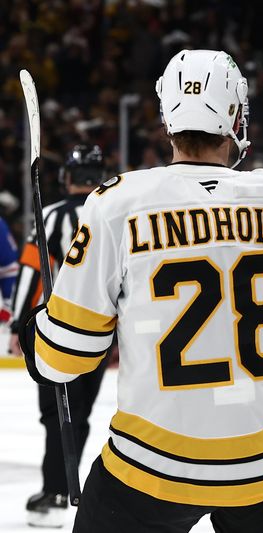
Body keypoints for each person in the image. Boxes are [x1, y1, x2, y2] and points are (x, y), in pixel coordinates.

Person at [19, 49, 263, 533]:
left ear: (167, 118)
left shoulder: (116, 204)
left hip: (152, 466)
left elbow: (64, 358)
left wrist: (36, 325)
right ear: (236, 117)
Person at [9, 145, 109, 528]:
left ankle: (55, 491)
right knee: (78, 415)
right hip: (103, 333)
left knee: (57, 413)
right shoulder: (111, 212)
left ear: (67, 177)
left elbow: (32, 273)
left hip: (59, 333)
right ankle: (69, 486)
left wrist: (20, 325)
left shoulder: (50, 216)